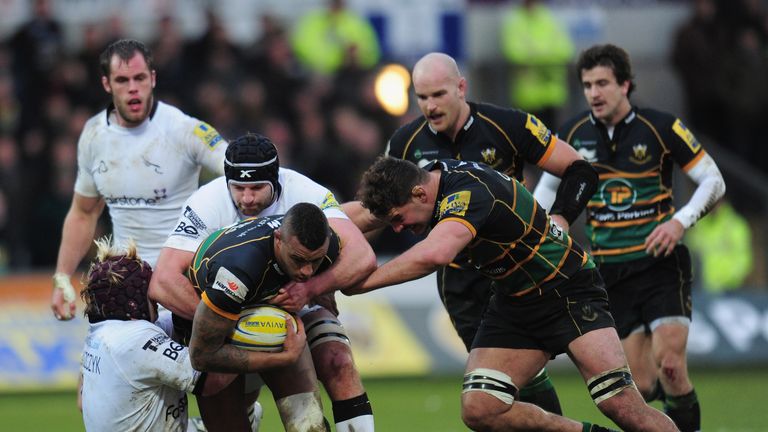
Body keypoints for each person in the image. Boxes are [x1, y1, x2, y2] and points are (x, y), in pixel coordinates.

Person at [340, 156, 678, 431]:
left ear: (419, 194)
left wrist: (362, 282)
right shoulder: (428, 182)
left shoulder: (467, 193)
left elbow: (435, 254)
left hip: (567, 289)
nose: (398, 228)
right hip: (515, 302)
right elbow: (360, 215)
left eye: (399, 219)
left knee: (619, 403)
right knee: (480, 408)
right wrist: (309, 219)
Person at [340, 51, 596, 414]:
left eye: (438, 94)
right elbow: (376, 212)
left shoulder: (509, 125)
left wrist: (563, 218)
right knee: (494, 389)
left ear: (461, 87)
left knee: (530, 377)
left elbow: (579, 171)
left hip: (515, 272)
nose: (429, 106)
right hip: (460, 282)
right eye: (422, 97)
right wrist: (335, 234)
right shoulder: (404, 144)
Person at [534, 44, 726, 432]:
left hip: (659, 265)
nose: (593, 93)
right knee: (639, 385)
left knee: (671, 365)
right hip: (607, 274)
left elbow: (713, 180)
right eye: (587, 85)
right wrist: (537, 229)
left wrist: (679, 222)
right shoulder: (571, 134)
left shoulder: (661, 127)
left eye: (602, 83)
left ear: (625, 85)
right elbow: (543, 194)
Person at [149, 133, 376, 431]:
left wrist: (310, 288)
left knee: (336, 363)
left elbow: (362, 256)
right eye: (238, 188)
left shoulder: (305, 193)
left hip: (290, 314)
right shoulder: (207, 201)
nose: (247, 198)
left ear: (276, 180)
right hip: (222, 330)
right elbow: (162, 282)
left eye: (257, 188)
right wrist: (229, 321)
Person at [50, 38, 227, 321]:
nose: (133, 87)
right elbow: (83, 213)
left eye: (140, 78)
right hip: (125, 292)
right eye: (122, 80)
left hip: (182, 283)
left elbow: (235, 166)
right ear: (107, 84)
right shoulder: (93, 134)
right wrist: (62, 278)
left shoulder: (184, 130)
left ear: (152, 79)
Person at [188, 203, 342, 432]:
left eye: (315, 261)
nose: (307, 272)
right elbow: (201, 356)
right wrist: (285, 358)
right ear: (278, 238)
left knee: (311, 426)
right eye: (298, 260)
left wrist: (319, 291)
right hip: (218, 335)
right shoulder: (236, 271)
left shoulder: (327, 244)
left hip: (271, 324)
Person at [79, 237, 250, 432]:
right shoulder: (135, 339)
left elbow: (176, 321)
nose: (157, 299)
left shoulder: (100, 334)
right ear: (134, 300)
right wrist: (254, 334)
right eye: (150, 292)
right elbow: (212, 381)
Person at [500, 0, 574, 127]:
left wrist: (533, 54)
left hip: (553, 94)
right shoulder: (514, 21)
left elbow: (566, 51)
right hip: (528, 97)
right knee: (529, 141)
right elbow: (513, 54)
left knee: (554, 141)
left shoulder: (550, 18)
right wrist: (548, 54)